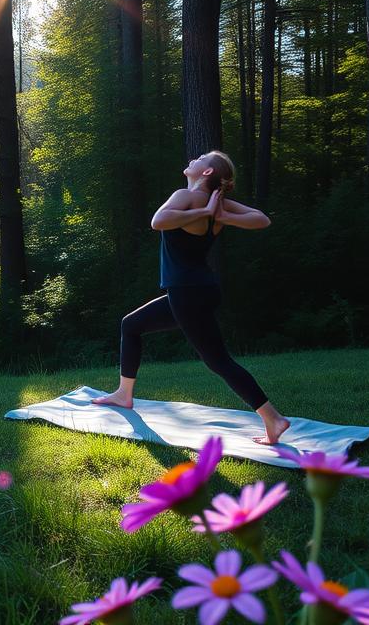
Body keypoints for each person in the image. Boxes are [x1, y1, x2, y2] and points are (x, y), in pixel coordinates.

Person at [92, 150, 291, 445]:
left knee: (218, 360)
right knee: (131, 325)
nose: (192, 160)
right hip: (199, 290)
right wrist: (217, 214)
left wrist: (210, 214)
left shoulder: (186, 197)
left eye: (200, 159)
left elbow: (158, 221)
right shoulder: (215, 203)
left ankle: (273, 419)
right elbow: (261, 219)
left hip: (187, 291)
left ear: (207, 173)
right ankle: (124, 393)